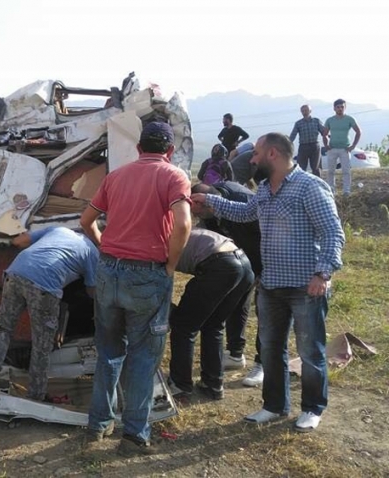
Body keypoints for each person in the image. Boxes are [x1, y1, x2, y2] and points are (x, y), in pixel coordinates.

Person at [191, 133, 345, 433]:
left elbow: (333, 234)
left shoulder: (310, 187)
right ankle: (274, 406)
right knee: (272, 349)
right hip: (272, 284)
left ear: (273, 154)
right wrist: (208, 200)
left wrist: (322, 274)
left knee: (310, 351)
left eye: (256, 154)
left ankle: (313, 408)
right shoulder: (264, 190)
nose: (252, 159)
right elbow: (245, 212)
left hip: (305, 286)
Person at [79, 121, 191, 455]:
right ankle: (134, 436)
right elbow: (183, 223)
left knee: (109, 351)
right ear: (168, 151)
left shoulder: (115, 177)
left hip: (108, 271)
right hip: (147, 275)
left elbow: (86, 221)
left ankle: (98, 426)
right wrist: (170, 265)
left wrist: (105, 250)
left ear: (139, 148)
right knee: (143, 357)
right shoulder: (174, 176)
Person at [0, 226, 99, 413]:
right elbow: (92, 290)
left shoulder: (58, 229)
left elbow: (18, 241)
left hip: (15, 272)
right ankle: (36, 394)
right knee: (42, 344)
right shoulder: (92, 251)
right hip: (44, 285)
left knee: (2, 328)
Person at [191, 182, 264, 387]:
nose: (194, 214)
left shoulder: (242, 201)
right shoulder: (207, 210)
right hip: (239, 259)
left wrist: (261, 270)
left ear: (210, 205)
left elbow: (267, 235)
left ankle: (262, 363)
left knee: (266, 311)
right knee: (236, 303)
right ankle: (234, 354)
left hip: (265, 259)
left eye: (197, 210)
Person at [167, 229, 254, 400]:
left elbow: (160, 280)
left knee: (183, 327)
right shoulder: (180, 230)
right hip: (243, 262)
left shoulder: (153, 240)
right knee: (213, 325)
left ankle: (180, 385)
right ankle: (213, 384)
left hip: (219, 265)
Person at [322, 99, 361, 196]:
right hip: (332, 148)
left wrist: (353, 146)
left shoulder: (349, 119)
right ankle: (331, 190)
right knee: (331, 171)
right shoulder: (330, 120)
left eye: (342, 107)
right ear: (334, 108)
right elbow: (325, 134)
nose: (340, 109)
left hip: (345, 149)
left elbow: (358, 132)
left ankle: (346, 191)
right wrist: (326, 145)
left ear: (345, 108)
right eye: (338, 107)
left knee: (346, 171)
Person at [290, 105, 324, 176]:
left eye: (306, 110)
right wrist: (287, 143)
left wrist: (331, 138)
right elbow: (293, 135)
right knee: (301, 168)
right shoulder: (298, 123)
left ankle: (317, 184)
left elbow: (324, 132)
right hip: (303, 147)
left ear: (310, 111)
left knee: (316, 168)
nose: (305, 112)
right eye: (303, 111)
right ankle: (300, 184)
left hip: (315, 146)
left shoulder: (316, 121)